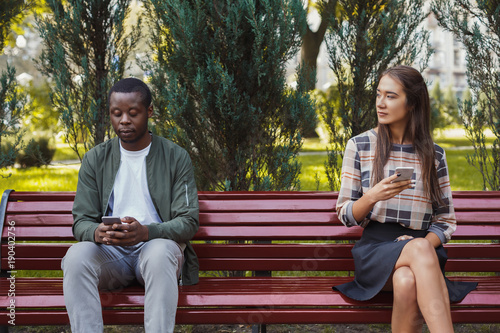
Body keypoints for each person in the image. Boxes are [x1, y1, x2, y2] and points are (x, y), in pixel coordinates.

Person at [333, 65, 477, 332]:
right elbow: (345, 213)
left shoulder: (434, 155)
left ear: (411, 103)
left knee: (407, 280)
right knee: (419, 251)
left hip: (422, 253)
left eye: (391, 96)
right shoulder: (360, 145)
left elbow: (445, 220)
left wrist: (420, 243)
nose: (380, 103)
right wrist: (373, 196)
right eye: (378, 94)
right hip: (376, 250)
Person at [62, 77, 200, 332]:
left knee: (159, 254)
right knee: (75, 257)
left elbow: (188, 221)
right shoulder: (95, 159)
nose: (124, 120)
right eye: (117, 113)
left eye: (132, 113)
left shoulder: (175, 156)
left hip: (155, 248)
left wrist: (147, 232)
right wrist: (96, 232)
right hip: (111, 254)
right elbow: (80, 220)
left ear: (148, 112)